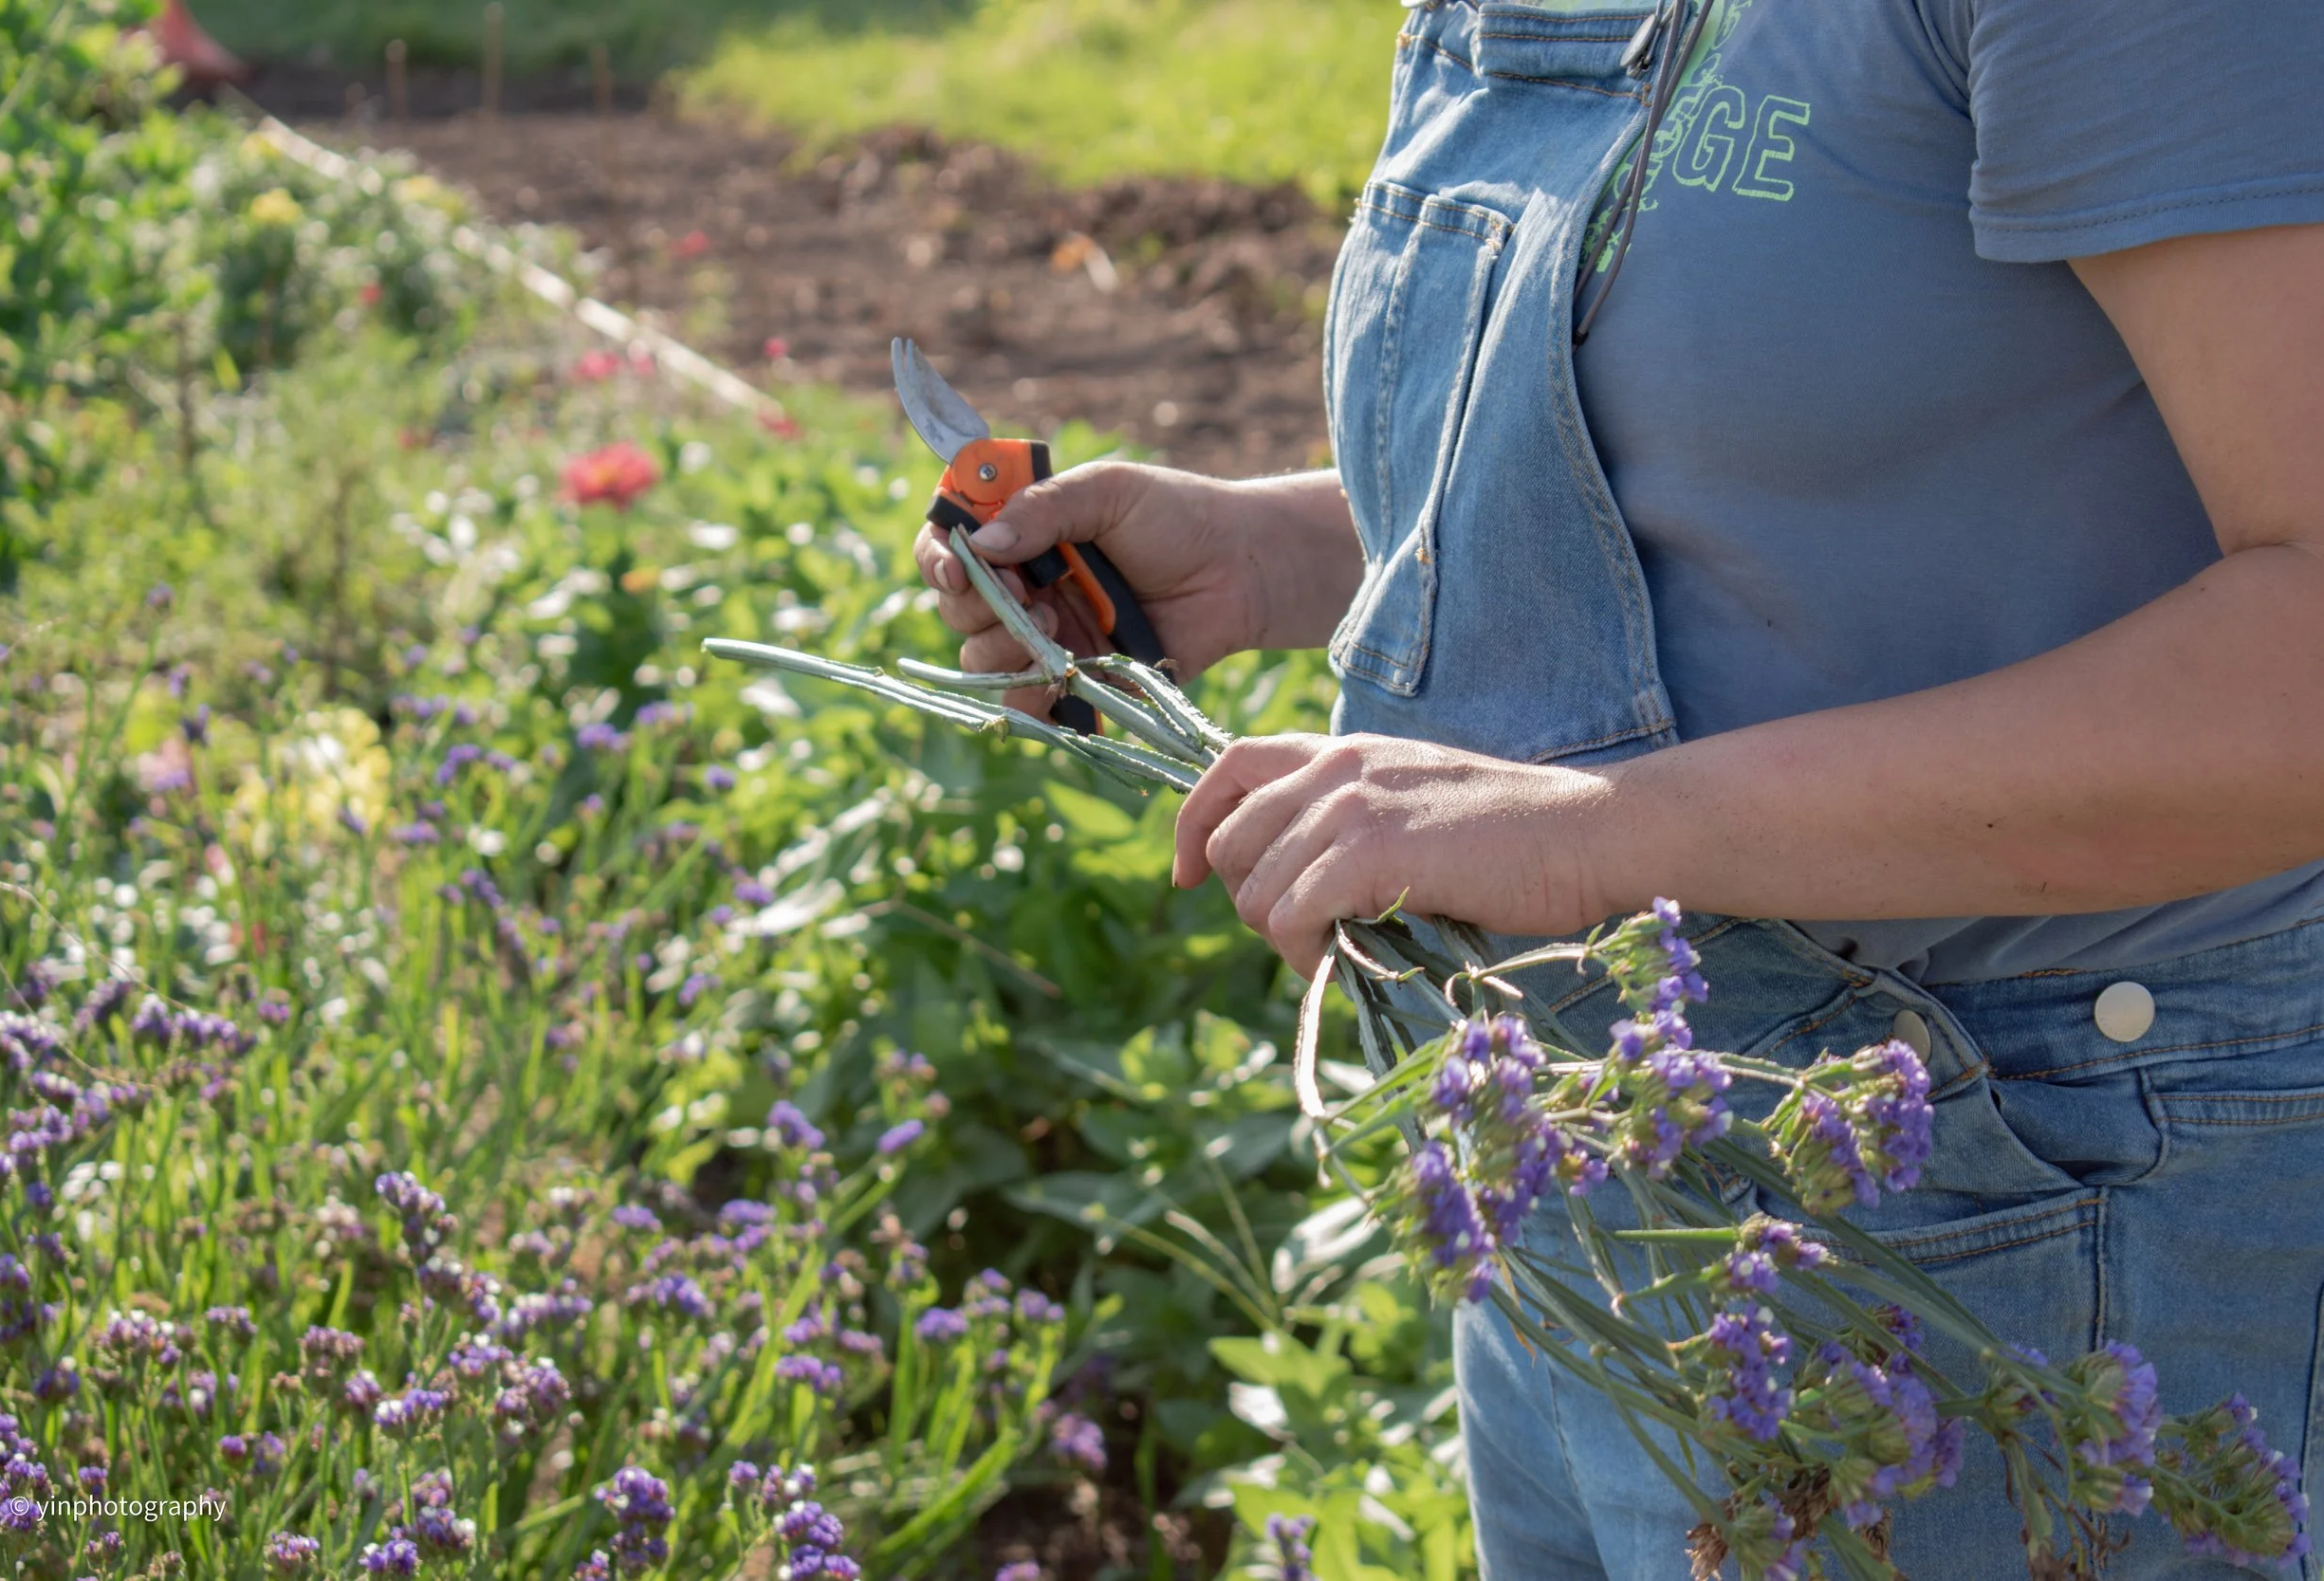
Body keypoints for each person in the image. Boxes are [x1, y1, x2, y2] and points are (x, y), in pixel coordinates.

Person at [915, 0, 2324, 1572]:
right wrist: (1279, 553)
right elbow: (1768, 465)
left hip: (2013, 1175)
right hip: (1609, 1170)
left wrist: (1595, 832)